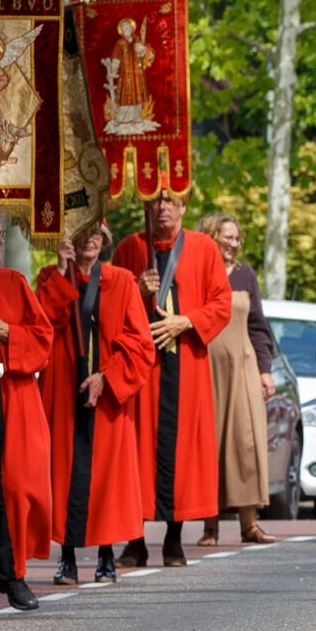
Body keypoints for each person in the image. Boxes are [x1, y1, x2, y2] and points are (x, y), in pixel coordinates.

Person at [111, 191, 232, 567]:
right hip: (142, 366)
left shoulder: (204, 248)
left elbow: (221, 302)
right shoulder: (131, 247)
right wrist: (135, 288)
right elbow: (111, 300)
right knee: (136, 448)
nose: (162, 207)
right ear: (146, 207)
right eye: (155, 201)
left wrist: (188, 320)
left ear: (183, 206)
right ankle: (134, 539)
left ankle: (174, 538)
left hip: (185, 363)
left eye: (170, 200)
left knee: (183, 450)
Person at [36, 222, 154, 586]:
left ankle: (106, 555)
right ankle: (67, 557)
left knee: (107, 473)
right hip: (63, 388)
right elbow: (42, 323)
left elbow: (140, 342)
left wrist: (107, 377)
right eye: (82, 232)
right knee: (65, 472)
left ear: (105, 241)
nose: (90, 239)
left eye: (97, 233)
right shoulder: (50, 276)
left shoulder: (122, 280)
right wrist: (59, 271)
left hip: (108, 394)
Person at [0, 214, 54, 617]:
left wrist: (7, 333)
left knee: (17, 485)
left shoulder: (15, 283)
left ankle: (12, 572)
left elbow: (43, 340)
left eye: (2, 233)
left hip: (13, 398)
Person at [196, 212, 276, 547]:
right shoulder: (198, 272)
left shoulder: (245, 275)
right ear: (211, 236)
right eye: (227, 236)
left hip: (243, 365)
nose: (234, 243)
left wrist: (264, 370)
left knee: (245, 442)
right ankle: (210, 527)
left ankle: (250, 524)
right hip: (206, 366)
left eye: (236, 238)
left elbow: (258, 326)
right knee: (209, 443)